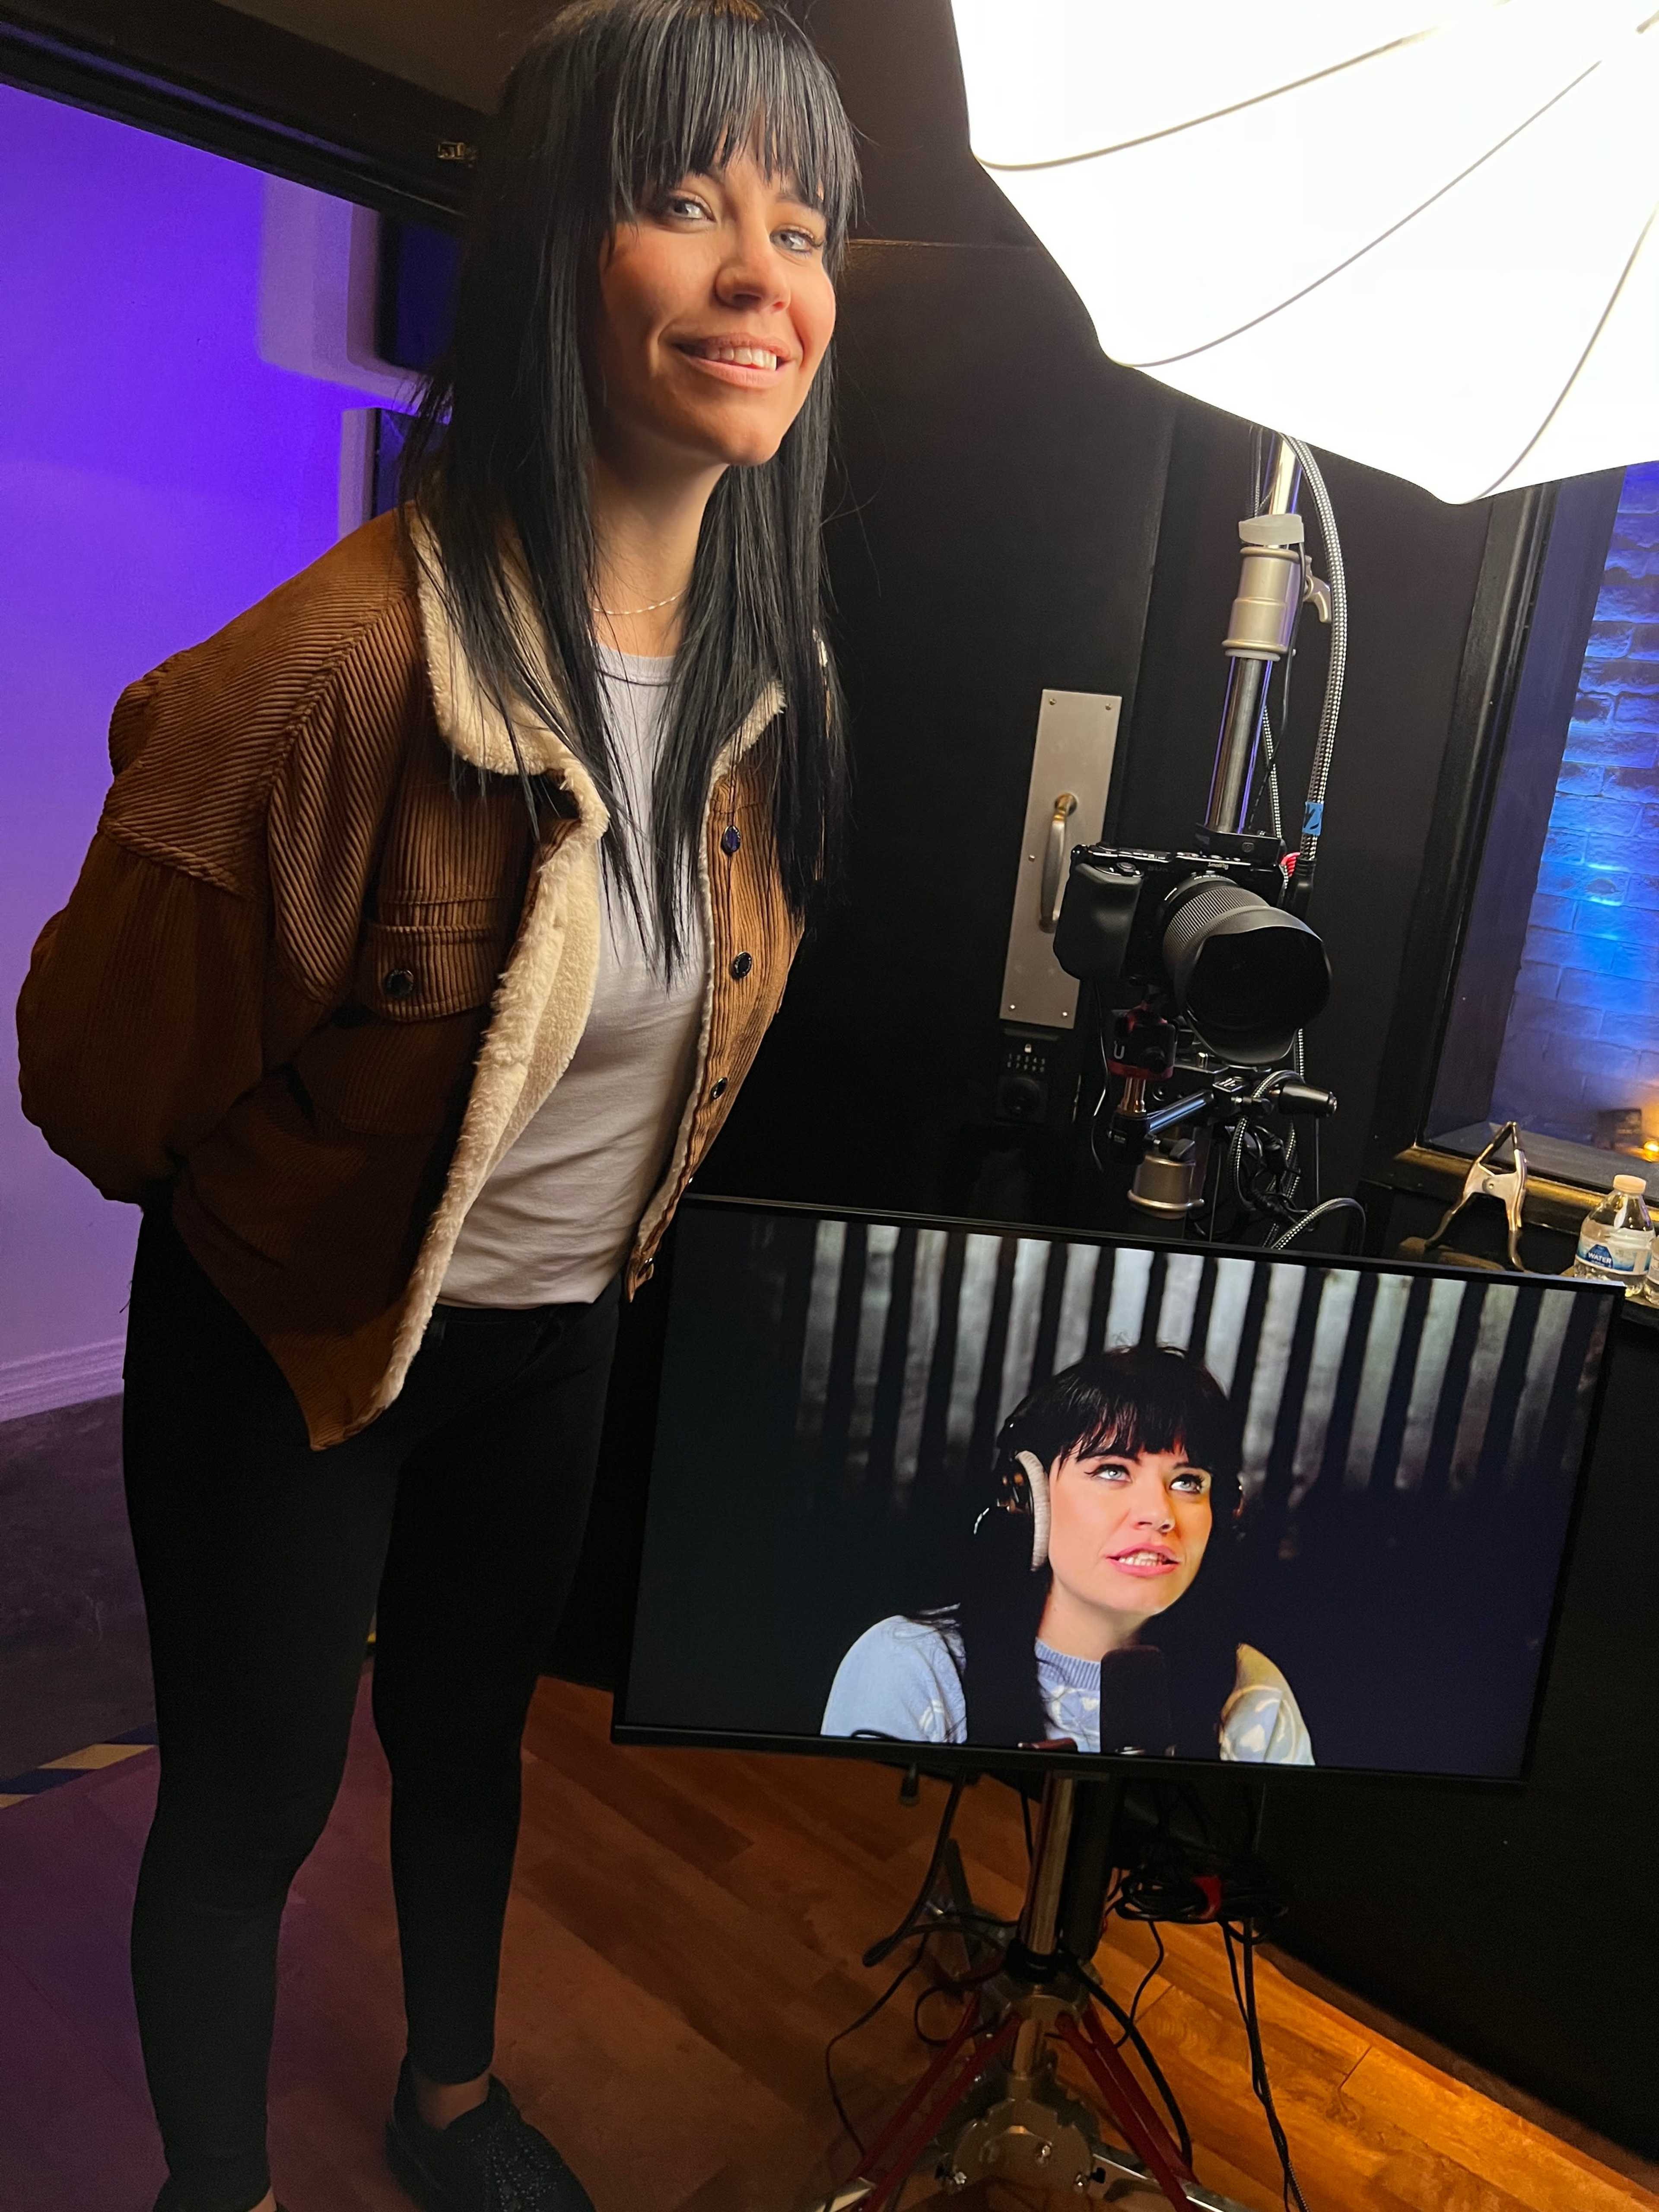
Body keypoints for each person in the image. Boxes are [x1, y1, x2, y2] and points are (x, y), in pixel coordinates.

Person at [15, 6, 858, 2209]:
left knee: (472, 1738)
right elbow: (98, 1081)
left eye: (801, 224)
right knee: (249, 1802)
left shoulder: (765, 677)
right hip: (291, 1342)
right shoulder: (329, 677)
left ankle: (453, 2104)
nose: (761, 274)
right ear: (556, 245)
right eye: (685, 201)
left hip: (554, 1328)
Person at [823, 1346, 1313, 1764]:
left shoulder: (1252, 1692)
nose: (1159, 1515)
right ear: (1031, 1500)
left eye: (1187, 1482)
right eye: (1112, 1471)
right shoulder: (912, 1667)